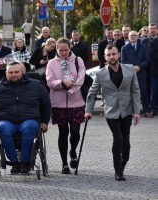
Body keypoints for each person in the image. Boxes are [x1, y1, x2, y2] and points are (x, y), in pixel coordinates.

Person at [0, 61, 51, 173]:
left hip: (28, 119)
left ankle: (24, 162)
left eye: (16, 72)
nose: (14, 74)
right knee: (2, 128)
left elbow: (46, 103)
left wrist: (44, 121)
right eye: (11, 72)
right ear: (6, 73)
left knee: (29, 128)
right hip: (6, 120)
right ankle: (14, 162)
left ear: (22, 72)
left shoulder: (36, 85)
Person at [85, 43, 140, 181]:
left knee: (126, 143)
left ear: (119, 55)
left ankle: (122, 163)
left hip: (126, 110)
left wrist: (136, 111)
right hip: (111, 111)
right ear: (105, 57)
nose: (111, 57)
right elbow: (92, 93)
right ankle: (118, 171)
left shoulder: (130, 70)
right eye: (108, 55)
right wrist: (88, 110)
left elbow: (135, 90)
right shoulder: (100, 73)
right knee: (118, 138)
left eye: (114, 54)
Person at [46, 38, 86, 174]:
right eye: (60, 50)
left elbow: (81, 79)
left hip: (76, 101)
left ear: (70, 48)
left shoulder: (78, 60)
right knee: (63, 132)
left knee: (75, 132)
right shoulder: (51, 63)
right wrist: (63, 83)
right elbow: (50, 82)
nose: (63, 52)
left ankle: (73, 150)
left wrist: (72, 88)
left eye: (66, 50)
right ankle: (64, 164)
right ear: (56, 49)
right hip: (59, 103)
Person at [121, 31, 151, 117]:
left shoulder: (143, 47)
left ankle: (146, 110)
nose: (133, 37)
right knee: (130, 92)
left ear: (138, 37)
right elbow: (123, 61)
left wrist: (139, 67)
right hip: (130, 73)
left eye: (134, 35)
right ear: (128, 37)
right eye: (131, 36)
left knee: (144, 91)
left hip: (141, 73)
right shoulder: (124, 48)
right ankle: (131, 111)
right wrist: (132, 67)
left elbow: (146, 59)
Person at [142, 23, 158, 107]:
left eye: (154, 28)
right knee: (149, 88)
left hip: (155, 68)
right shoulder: (144, 41)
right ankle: (151, 106)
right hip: (148, 68)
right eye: (151, 28)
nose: (152, 30)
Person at [148, 37, 158, 116]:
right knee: (154, 91)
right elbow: (152, 54)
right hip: (155, 71)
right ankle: (153, 108)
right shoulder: (152, 42)